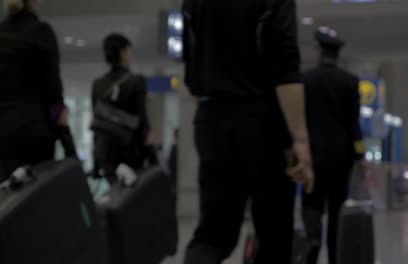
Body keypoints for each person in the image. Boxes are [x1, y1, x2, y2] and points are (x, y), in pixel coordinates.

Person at [182, 0, 314, 263]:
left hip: (211, 118)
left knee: (213, 234)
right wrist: (300, 138)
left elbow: (192, 71)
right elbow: (285, 65)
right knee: (273, 233)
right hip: (263, 121)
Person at [302, 28, 365, 264]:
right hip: (341, 158)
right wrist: (360, 156)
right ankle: (335, 254)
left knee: (312, 202)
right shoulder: (350, 82)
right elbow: (353, 124)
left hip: (313, 155)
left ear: (320, 52)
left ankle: (313, 240)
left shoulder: (306, 80)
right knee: (337, 208)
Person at [0, 0, 76, 181]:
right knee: (35, 198)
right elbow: (53, 93)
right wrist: (67, 142)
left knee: (8, 199)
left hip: (4, 136)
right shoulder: (41, 32)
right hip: (36, 133)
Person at [92, 33, 156, 183]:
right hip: (131, 150)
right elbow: (143, 122)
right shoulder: (136, 81)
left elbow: (96, 124)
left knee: (115, 196)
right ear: (122, 52)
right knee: (132, 197)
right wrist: (152, 157)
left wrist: (96, 161)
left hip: (106, 153)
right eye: (129, 51)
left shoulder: (97, 85)